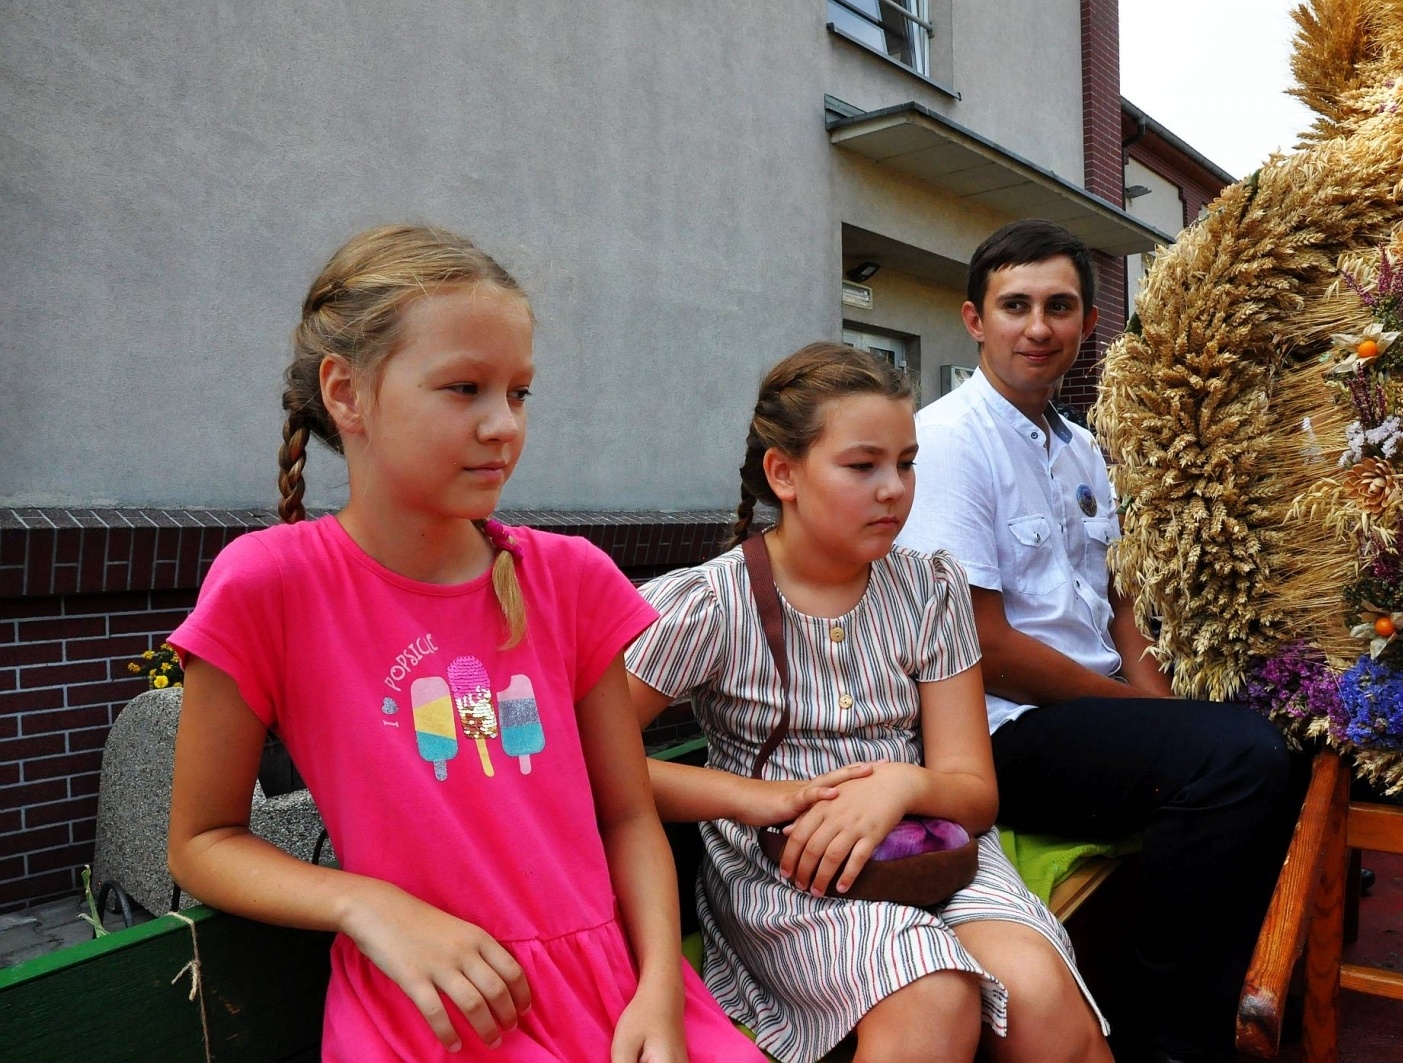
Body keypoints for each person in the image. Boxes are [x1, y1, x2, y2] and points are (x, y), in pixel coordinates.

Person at [166, 224, 763, 1062]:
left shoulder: (570, 579)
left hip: (620, 996)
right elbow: (201, 841)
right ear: (346, 392)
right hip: (435, 1015)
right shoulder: (272, 587)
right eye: (464, 388)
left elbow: (628, 814)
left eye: (519, 392)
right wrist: (367, 905)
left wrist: (661, 987)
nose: (503, 425)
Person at [625, 343, 1113, 1063]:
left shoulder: (930, 588)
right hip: (791, 874)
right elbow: (578, 757)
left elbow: (974, 793)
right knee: (933, 996)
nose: (894, 489)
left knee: (1039, 997)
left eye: (906, 463)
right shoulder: (709, 603)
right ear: (783, 473)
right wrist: (753, 797)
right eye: (863, 466)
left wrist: (901, 785)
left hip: (935, 847)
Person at [896, 219, 1299, 1063]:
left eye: (1059, 306)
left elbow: (1121, 609)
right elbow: (982, 643)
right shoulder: (948, 441)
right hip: (1001, 730)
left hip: (1088, 714)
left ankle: (1238, 994)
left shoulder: (1081, 447)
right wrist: (1148, 718)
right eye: (1015, 305)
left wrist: (1165, 713)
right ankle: (1176, 1041)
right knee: (1240, 757)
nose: (1037, 327)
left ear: (1086, 323)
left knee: (1266, 739)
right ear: (975, 320)